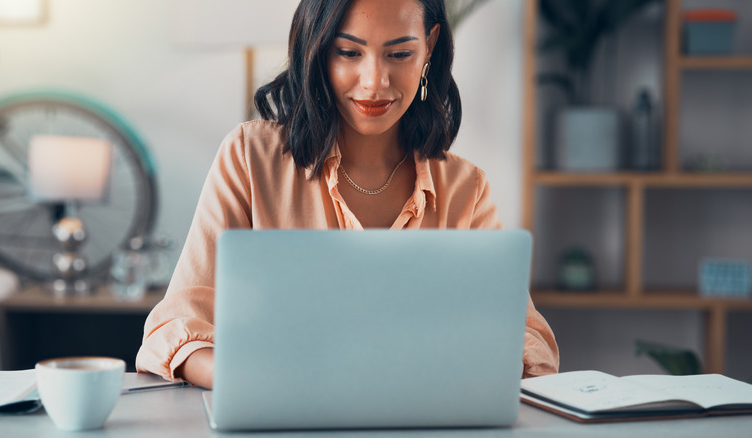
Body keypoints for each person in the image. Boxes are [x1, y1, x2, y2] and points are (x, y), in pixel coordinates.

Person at [136, 0, 559, 389]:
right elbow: (174, 326)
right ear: (317, 51)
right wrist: (254, 381)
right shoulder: (249, 158)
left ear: (429, 47)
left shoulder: (465, 189)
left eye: (399, 54)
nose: (375, 82)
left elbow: (528, 340)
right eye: (349, 52)